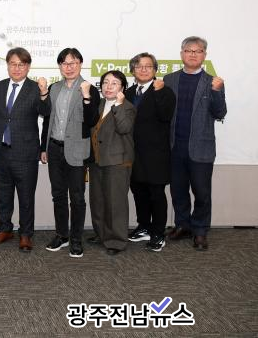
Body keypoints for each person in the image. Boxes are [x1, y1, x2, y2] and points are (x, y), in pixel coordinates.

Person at [164, 36, 227, 251]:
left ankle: (200, 230)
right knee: (178, 190)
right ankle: (183, 225)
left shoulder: (213, 82)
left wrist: (217, 92)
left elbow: (220, 113)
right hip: (175, 147)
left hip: (201, 148)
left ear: (204, 55)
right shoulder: (169, 79)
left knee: (202, 192)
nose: (193, 54)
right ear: (181, 54)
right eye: (188, 50)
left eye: (198, 51)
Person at [0, 47, 50, 252]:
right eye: (13, 64)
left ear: (28, 67)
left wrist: (44, 92)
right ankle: (4, 229)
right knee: (3, 195)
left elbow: (46, 111)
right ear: (8, 65)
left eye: (21, 65)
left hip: (25, 153)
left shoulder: (35, 88)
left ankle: (25, 234)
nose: (16, 68)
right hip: (2, 152)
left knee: (26, 197)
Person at [40, 47, 100, 258]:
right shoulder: (54, 88)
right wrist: (43, 147)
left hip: (77, 151)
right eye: (64, 63)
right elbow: (47, 119)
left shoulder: (89, 88)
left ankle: (76, 239)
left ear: (80, 64)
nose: (69, 67)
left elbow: (92, 120)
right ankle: (62, 235)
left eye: (73, 63)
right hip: (54, 148)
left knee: (77, 197)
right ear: (60, 66)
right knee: (58, 195)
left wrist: (86, 97)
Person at [124, 53, 176, 252]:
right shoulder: (128, 92)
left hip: (156, 154)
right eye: (139, 66)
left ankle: (158, 233)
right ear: (133, 70)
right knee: (139, 192)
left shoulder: (164, 91)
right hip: (133, 153)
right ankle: (144, 226)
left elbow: (166, 115)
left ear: (155, 70)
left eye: (148, 66)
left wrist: (158, 92)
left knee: (156, 194)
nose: (143, 70)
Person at [88, 70, 136, 255]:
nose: (108, 86)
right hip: (97, 160)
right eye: (105, 82)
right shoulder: (99, 104)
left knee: (115, 203)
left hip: (117, 162)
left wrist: (118, 104)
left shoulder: (127, 107)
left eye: (114, 83)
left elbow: (124, 128)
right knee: (98, 201)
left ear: (122, 88)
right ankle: (102, 234)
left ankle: (116, 241)